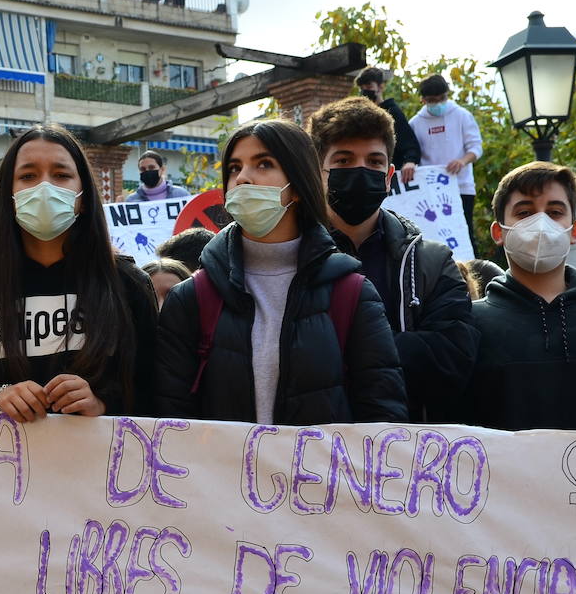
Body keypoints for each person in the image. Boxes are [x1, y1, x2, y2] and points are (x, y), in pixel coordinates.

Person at [154, 119, 406, 425]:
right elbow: (170, 422)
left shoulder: (351, 294)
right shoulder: (192, 297)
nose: (243, 178)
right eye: (234, 168)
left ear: (298, 185)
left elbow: (383, 418)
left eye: (263, 164)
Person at [0, 124, 157, 420]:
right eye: (28, 176)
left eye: (61, 175)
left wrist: (103, 406)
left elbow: (156, 396)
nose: (44, 187)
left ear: (84, 197)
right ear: (8, 195)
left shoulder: (128, 285)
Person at [308, 96, 475, 422]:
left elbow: (452, 359)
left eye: (374, 161)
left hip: (404, 443)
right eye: (344, 160)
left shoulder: (431, 263)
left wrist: (342, 349)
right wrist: (397, 348)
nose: (360, 171)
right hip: (312, 444)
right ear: (317, 172)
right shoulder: (289, 257)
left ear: (389, 175)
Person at [458, 162, 576, 430]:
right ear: (499, 232)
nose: (540, 224)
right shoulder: (468, 324)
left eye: (554, 212)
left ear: (574, 231)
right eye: (524, 212)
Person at [409, 74, 482, 253]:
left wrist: (462, 161)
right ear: (423, 100)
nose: (438, 104)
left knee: (464, 233)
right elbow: (413, 153)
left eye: (442, 98)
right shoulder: (416, 123)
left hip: (461, 187)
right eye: (432, 100)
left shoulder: (462, 115)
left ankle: (472, 267)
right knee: (432, 235)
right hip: (430, 190)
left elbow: (476, 147)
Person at [355, 66, 421, 188]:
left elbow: (409, 143)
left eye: (369, 86)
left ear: (381, 87)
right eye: (362, 88)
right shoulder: (360, 115)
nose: (365, 91)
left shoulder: (393, 112)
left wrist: (410, 161)